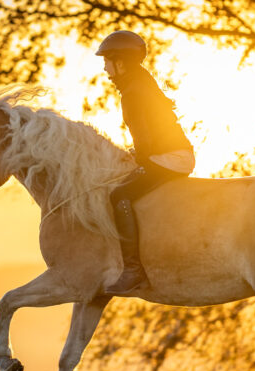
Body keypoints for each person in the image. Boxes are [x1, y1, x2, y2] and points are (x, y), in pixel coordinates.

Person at [96, 30, 195, 295]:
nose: (105, 68)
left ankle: (133, 271)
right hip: (171, 154)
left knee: (119, 195)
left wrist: (136, 157)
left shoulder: (132, 92)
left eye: (107, 61)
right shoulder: (141, 83)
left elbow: (146, 141)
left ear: (121, 61)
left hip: (170, 158)